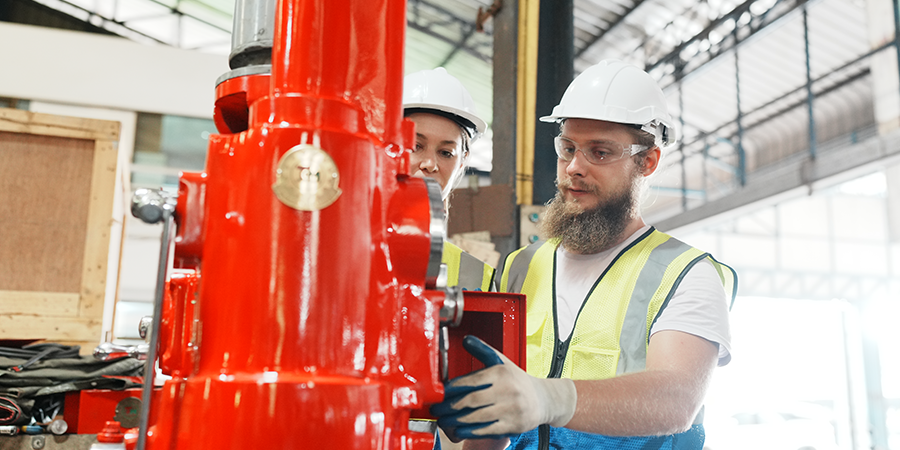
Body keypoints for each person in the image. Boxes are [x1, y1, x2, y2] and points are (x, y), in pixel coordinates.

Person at [428, 59, 738, 450]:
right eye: (568, 148)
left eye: (600, 152)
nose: (574, 167)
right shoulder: (520, 267)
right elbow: (497, 411)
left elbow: (676, 401)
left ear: (648, 161)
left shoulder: (684, 274)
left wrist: (549, 399)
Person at [403, 67, 495, 292]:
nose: (429, 164)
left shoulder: (476, 277)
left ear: (462, 162)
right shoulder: (341, 244)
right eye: (416, 146)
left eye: (445, 153)